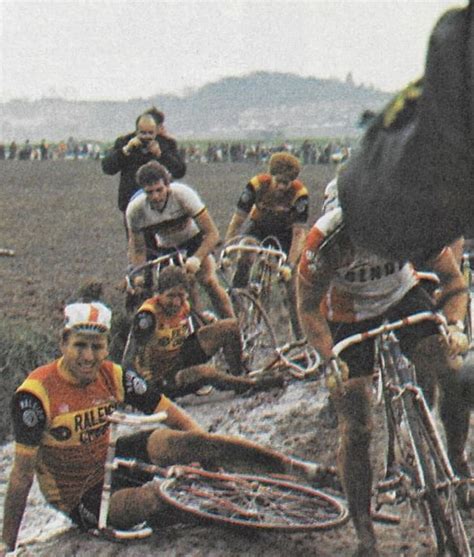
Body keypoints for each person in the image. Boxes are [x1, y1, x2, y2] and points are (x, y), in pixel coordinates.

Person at [0, 302, 327, 555]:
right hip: (80, 495)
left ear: (106, 347)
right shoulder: (36, 394)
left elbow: (172, 415)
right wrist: (7, 546)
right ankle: (217, 513)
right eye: (80, 346)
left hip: (112, 459)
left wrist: (205, 455)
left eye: (97, 347)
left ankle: (296, 468)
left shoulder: (114, 374)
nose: (89, 356)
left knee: (179, 441)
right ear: (63, 342)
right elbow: (21, 476)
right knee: (155, 500)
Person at [297, 205, 469, 557]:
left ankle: (457, 461)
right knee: (357, 426)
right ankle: (365, 533)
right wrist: (328, 357)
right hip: (346, 313)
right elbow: (307, 307)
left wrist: (454, 326)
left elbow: (453, 281)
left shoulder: (409, 219)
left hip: (401, 296)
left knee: (451, 373)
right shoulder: (325, 240)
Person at [132, 266, 282, 397]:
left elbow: (201, 328)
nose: (176, 302)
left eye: (180, 296)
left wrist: (207, 320)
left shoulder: (184, 305)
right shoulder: (147, 315)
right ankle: (250, 384)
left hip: (179, 356)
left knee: (230, 326)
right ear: (159, 294)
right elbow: (135, 354)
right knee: (206, 372)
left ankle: (239, 375)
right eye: (171, 296)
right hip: (162, 378)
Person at [126, 160, 234, 319]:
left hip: (194, 241)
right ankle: (195, 327)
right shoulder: (135, 210)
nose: (155, 196)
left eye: (159, 190)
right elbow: (138, 249)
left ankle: (233, 327)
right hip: (166, 247)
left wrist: (197, 258)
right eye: (149, 192)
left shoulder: (183, 195)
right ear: (143, 191)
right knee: (175, 294)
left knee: (208, 281)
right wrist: (139, 274)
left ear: (168, 185)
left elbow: (212, 233)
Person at [225, 152, 309, 338]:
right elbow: (238, 220)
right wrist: (227, 249)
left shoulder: (299, 194)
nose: (281, 187)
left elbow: (298, 233)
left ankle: (301, 338)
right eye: (278, 181)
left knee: (293, 288)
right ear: (270, 176)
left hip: (286, 234)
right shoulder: (256, 185)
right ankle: (237, 303)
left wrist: (290, 264)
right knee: (246, 251)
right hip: (259, 227)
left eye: (286, 183)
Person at [101, 108, 186, 218]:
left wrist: (161, 155)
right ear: (137, 130)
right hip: (132, 203)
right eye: (143, 132)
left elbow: (180, 171)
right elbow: (107, 168)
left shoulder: (166, 144)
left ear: (157, 128)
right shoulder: (125, 142)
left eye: (151, 132)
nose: (146, 137)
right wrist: (125, 150)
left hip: (161, 204)